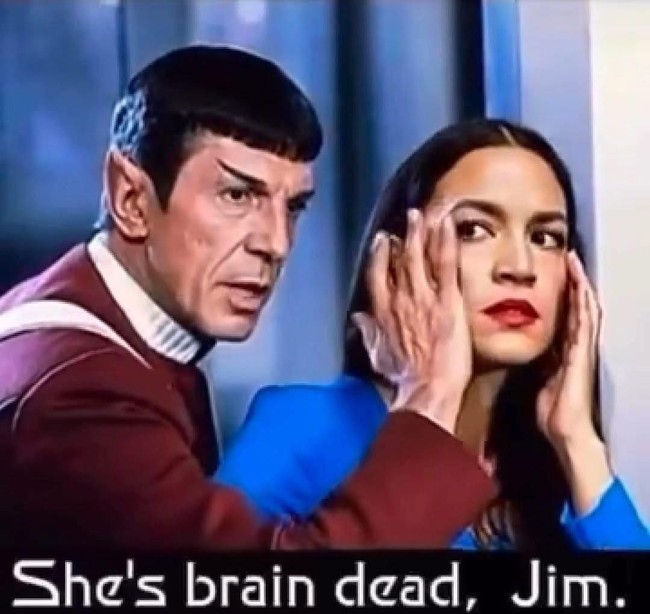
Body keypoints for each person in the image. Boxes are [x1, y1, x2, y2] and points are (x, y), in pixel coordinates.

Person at [0, 46, 497, 548]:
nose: (276, 243)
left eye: (294, 207)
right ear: (131, 198)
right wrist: (430, 397)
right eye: (237, 195)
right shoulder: (78, 393)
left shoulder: (102, 339)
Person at [218, 118, 650, 550]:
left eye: (545, 237)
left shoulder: (554, 474)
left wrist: (578, 442)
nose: (519, 267)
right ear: (397, 261)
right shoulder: (303, 426)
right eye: (474, 230)